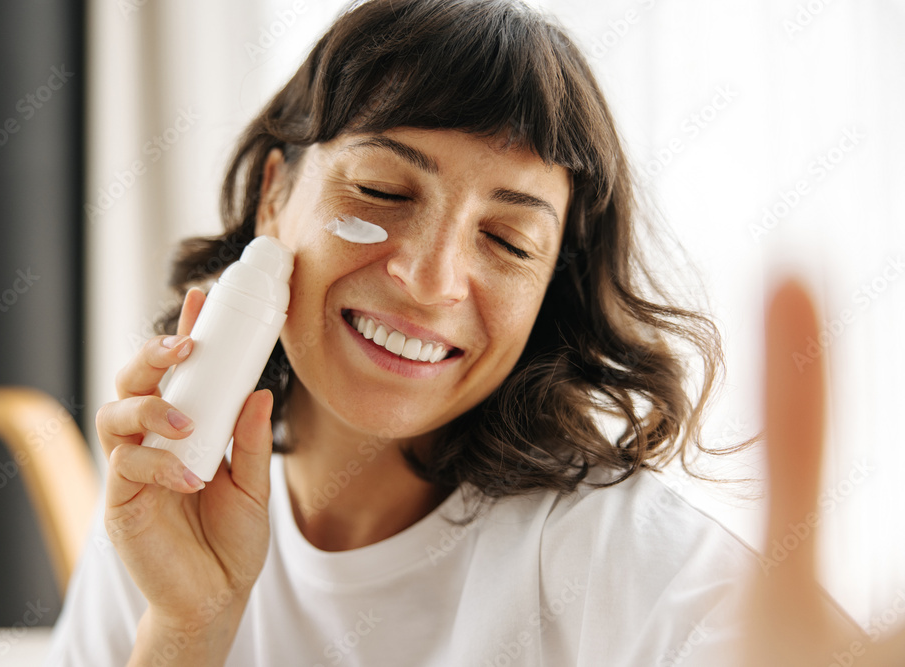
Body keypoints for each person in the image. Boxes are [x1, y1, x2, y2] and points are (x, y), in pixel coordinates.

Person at [46, 0, 904, 664]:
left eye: (508, 240)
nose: (429, 279)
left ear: (550, 285)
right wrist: (187, 629)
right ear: (277, 194)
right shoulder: (170, 508)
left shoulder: (617, 557)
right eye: (382, 191)